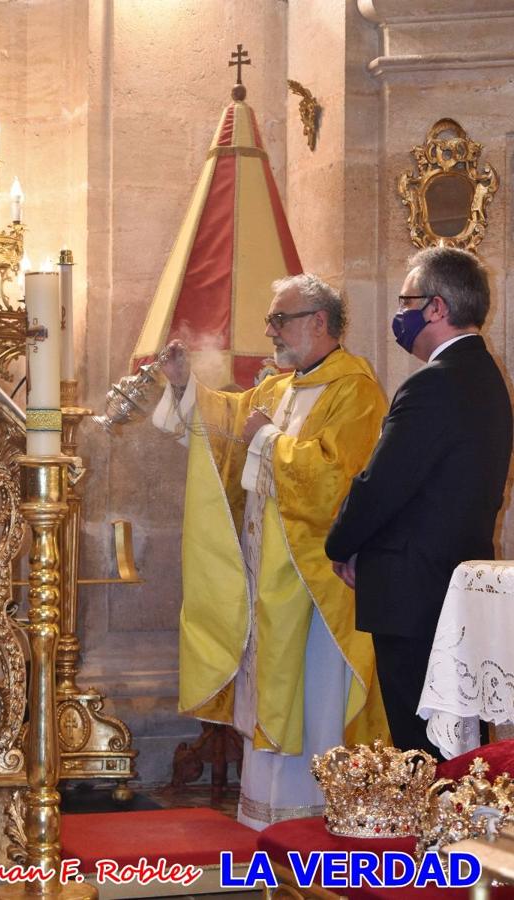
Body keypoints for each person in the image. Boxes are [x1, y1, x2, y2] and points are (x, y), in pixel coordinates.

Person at [153, 273, 389, 830]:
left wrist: (265, 439)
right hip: (268, 580)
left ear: (319, 322)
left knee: (315, 701)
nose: (270, 331)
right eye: (270, 319)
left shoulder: (355, 390)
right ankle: (269, 826)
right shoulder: (278, 388)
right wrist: (186, 385)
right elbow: (227, 426)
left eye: (280, 319)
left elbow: (338, 479)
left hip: (316, 587)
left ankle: (321, 823)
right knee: (272, 694)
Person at [326, 246, 513, 758]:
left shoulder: (433, 383)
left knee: (422, 747)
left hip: (413, 590)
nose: (400, 313)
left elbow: (381, 484)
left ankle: (433, 840)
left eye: (408, 300)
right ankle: (467, 836)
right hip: (456, 583)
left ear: (437, 308)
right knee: (463, 747)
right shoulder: (489, 379)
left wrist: (342, 544)